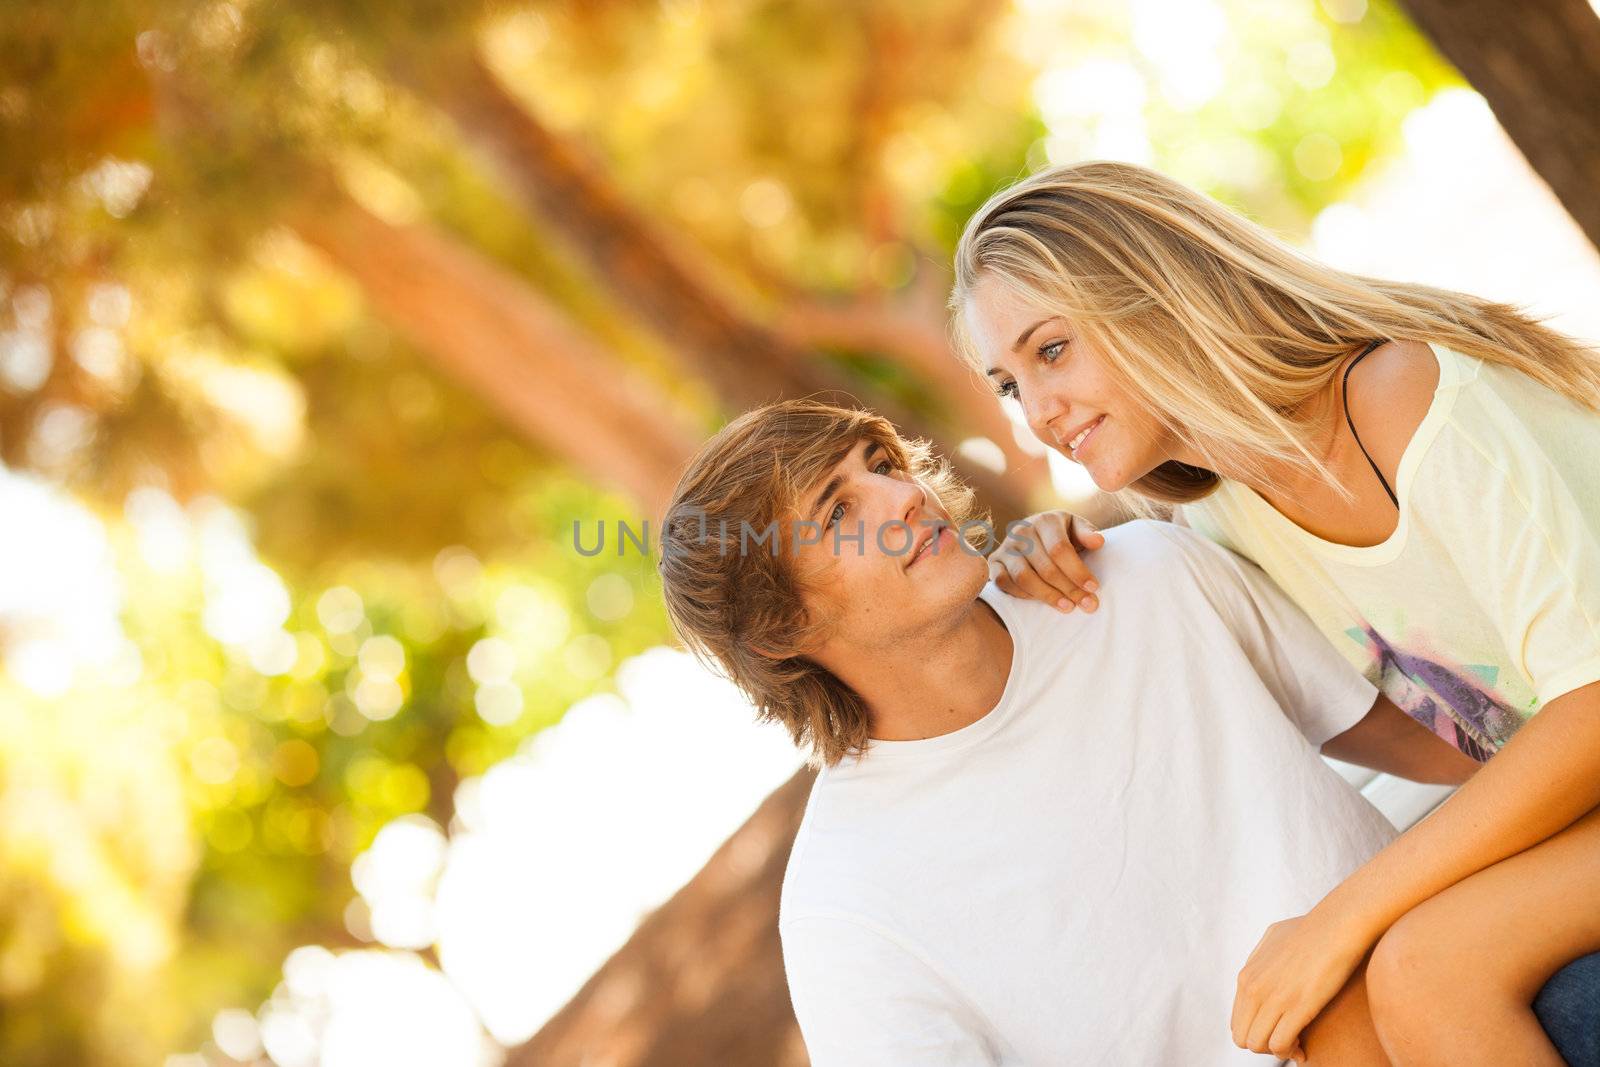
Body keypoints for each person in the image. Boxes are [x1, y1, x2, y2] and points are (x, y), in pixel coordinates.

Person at [952, 159, 1600, 1064]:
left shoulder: (1404, 400)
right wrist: (1056, 568)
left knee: (1429, 964)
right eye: (1010, 385)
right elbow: (1443, 736)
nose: (1037, 414)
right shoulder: (1222, 512)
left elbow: (1591, 705)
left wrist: (1344, 913)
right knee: (1331, 1014)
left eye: (1051, 350)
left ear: (1157, 296)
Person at [655, 399, 1477, 1065]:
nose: (903, 495)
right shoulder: (848, 908)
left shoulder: (1146, 579)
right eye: (840, 512)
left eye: (881, 463)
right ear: (778, 627)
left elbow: (1447, 746)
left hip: (1467, 996)